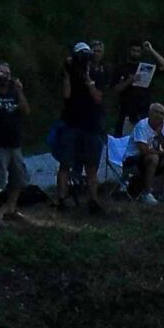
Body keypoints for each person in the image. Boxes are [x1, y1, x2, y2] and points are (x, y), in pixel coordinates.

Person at [57, 40, 107, 213]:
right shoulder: (69, 72)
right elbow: (66, 95)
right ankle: (62, 199)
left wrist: (88, 79)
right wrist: (67, 73)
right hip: (71, 123)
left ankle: (93, 200)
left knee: (91, 166)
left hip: (91, 125)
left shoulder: (96, 73)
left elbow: (98, 98)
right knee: (65, 164)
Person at [0, 63, 30, 224]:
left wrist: (20, 90)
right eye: (1, 73)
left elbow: (26, 110)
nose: (5, 76)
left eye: (8, 73)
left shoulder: (14, 92)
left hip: (14, 143)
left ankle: (10, 208)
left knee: (19, 178)